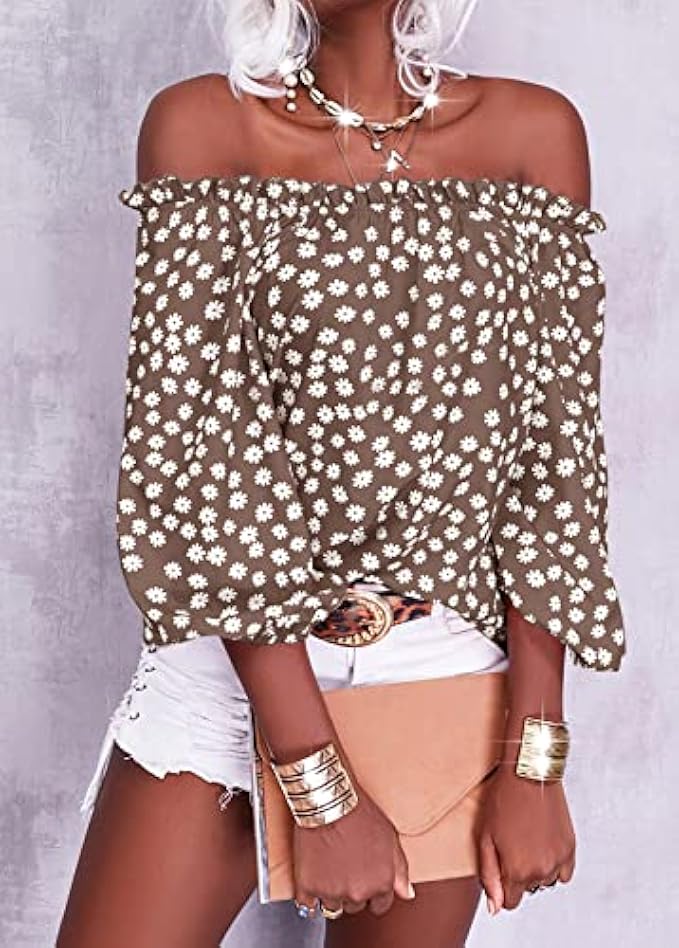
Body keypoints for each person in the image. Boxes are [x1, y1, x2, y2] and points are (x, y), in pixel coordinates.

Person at [57, 1, 626, 945]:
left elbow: (555, 466)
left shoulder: (535, 133)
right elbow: (205, 463)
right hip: (237, 670)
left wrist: (535, 760)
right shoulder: (204, 125)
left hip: (442, 671)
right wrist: (316, 784)